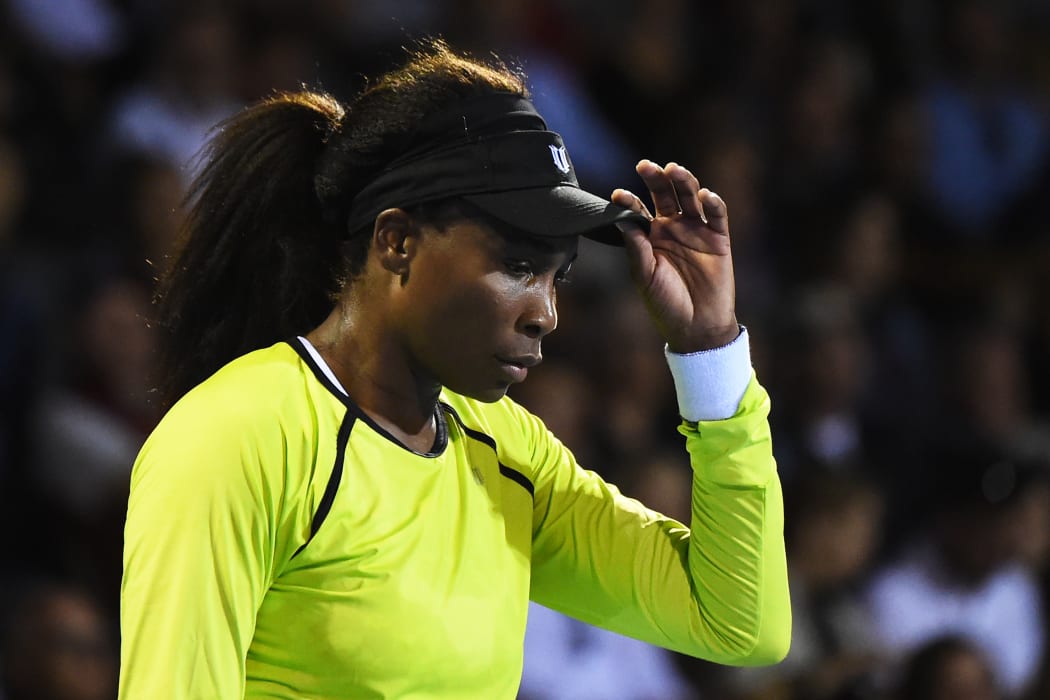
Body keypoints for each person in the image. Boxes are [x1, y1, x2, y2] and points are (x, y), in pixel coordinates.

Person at [119, 41, 790, 698]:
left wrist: (709, 348)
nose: (545, 314)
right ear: (397, 242)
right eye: (518, 266)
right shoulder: (239, 436)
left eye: (557, 276)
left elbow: (737, 623)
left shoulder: (509, 452)